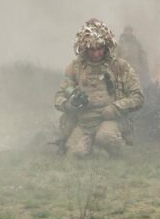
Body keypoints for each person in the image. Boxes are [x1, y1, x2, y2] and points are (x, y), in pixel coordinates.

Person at [54, 19, 144, 157]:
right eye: (92, 49)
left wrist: (116, 108)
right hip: (84, 122)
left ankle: (119, 147)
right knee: (75, 154)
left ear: (106, 46)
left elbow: (138, 97)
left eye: (100, 49)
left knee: (106, 137)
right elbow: (59, 95)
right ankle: (91, 147)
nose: (96, 54)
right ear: (84, 48)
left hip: (111, 119)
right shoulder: (76, 68)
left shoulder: (120, 67)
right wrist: (69, 105)